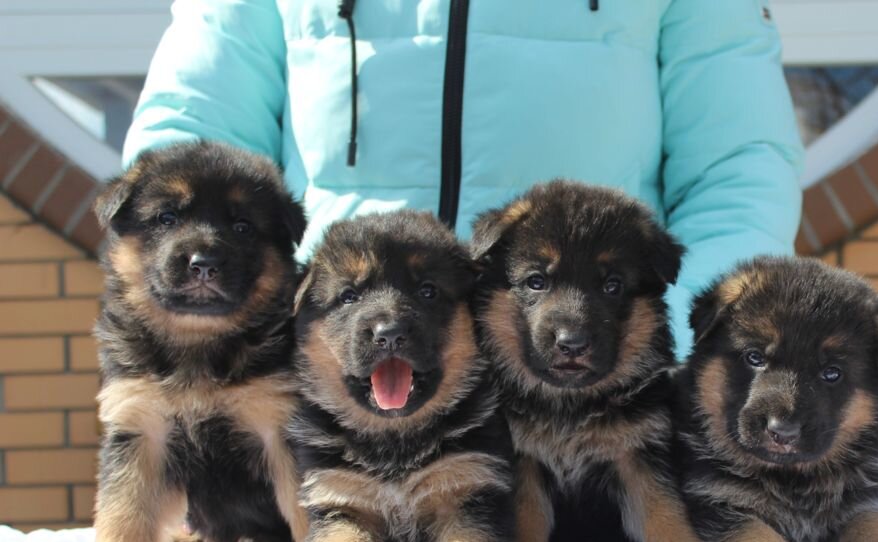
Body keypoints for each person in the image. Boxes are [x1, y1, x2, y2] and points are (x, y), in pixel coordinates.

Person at [123, 0, 803, 355]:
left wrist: (662, 366)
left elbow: (737, 173)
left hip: (588, 404)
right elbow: (186, 153)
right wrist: (223, 373)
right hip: (332, 400)